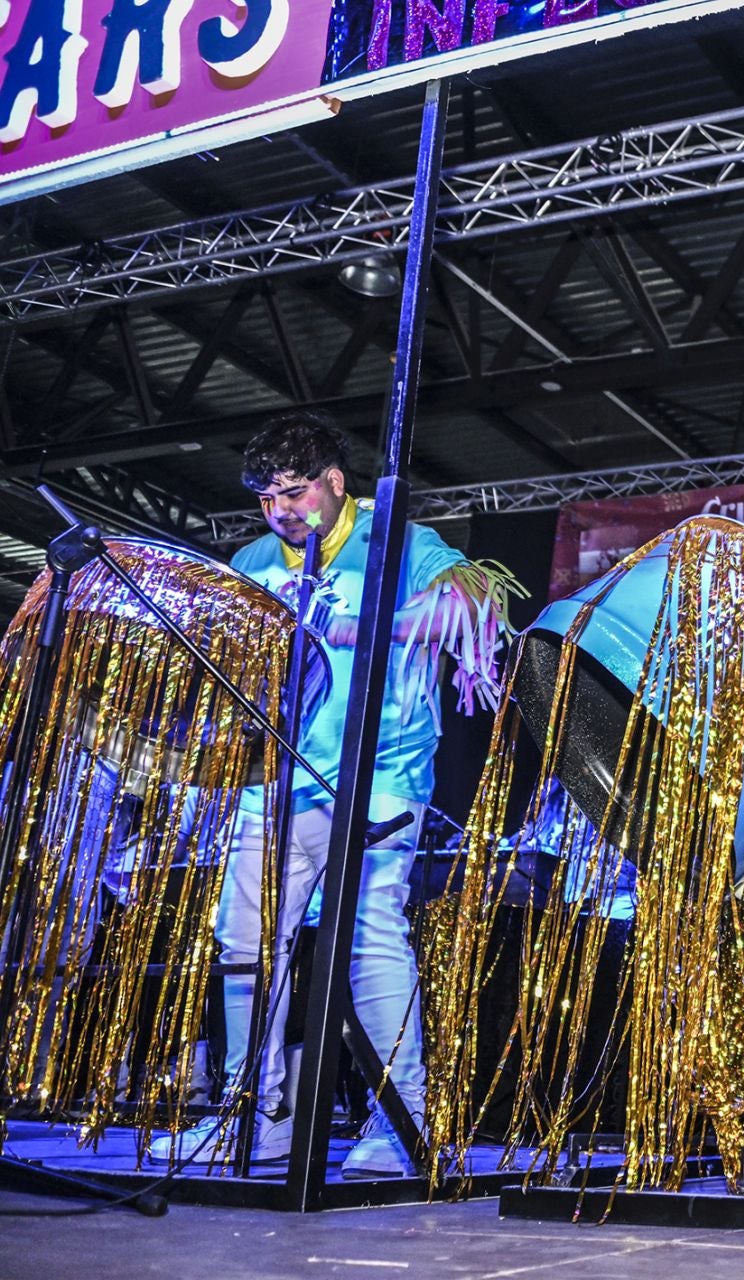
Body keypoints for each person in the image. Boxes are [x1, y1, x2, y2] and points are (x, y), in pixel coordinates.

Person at [149, 412, 514, 1177]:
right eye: (266, 497)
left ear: (335, 483)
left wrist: (363, 628)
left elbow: (474, 605)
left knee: (367, 936)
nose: (281, 510)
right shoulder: (253, 558)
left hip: (379, 774)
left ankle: (402, 1126)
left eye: (293, 492)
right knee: (245, 942)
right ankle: (255, 1118)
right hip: (274, 777)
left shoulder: (398, 539)